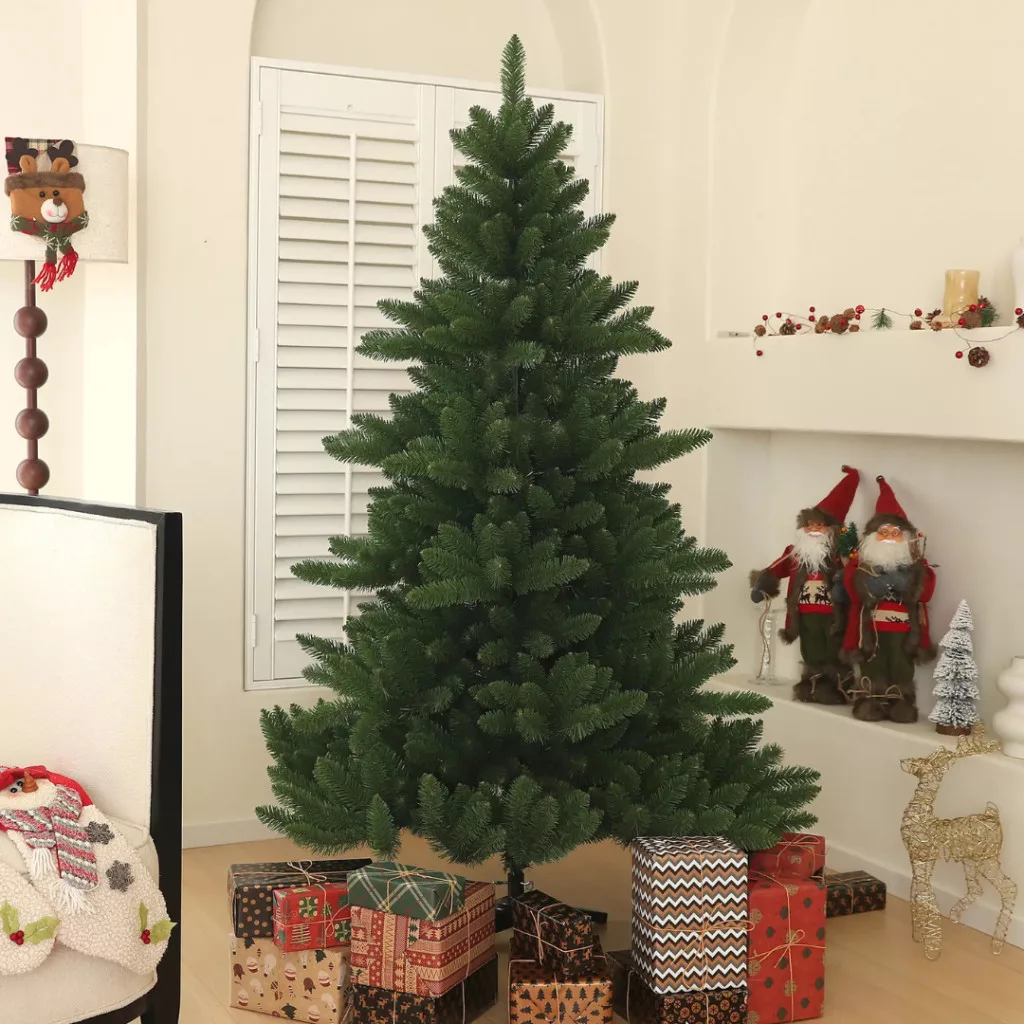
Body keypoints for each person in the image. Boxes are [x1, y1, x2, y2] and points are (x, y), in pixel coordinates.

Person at [750, 466, 860, 704]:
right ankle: (812, 683)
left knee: (833, 649)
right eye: (809, 525)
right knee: (811, 649)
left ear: (832, 529)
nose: (813, 530)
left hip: (833, 616)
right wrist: (762, 584)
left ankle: (837, 686)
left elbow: (855, 577)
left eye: (819, 525)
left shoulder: (841, 556)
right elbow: (777, 568)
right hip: (804, 614)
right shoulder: (795, 554)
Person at [842, 476, 936, 723]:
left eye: (895, 533)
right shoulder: (860, 566)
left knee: (901, 666)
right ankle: (869, 701)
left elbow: (926, 591)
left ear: (906, 537)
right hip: (871, 629)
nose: (889, 537)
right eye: (883, 532)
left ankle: (900, 703)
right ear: (873, 536)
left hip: (904, 630)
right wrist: (875, 584)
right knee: (872, 665)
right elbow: (852, 589)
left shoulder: (916, 566)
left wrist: (906, 582)